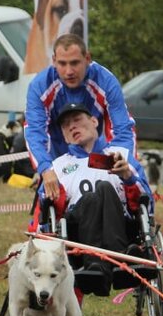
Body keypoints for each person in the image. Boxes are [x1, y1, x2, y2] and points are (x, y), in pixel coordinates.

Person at [47, 102, 152, 295]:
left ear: (95, 121)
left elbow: (145, 200)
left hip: (120, 226)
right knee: (90, 198)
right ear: (63, 134)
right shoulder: (57, 167)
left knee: (104, 187)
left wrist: (128, 177)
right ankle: (104, 262)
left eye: (77, 120)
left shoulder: (122, 156)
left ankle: (115, 260)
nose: (72, 127)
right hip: (77, 234)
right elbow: (47, 207)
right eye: (66, 125)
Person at [24, 34, 136, 202]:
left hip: (94, 152)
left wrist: (122, 164)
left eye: (75, 63)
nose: (69, 71)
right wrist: (46, 168)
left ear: (87, 58)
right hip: (56, 153)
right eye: (62, 64)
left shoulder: (106, 81)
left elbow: (123, 129)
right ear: (54, 61)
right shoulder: (40, 86)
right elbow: (34, 132)